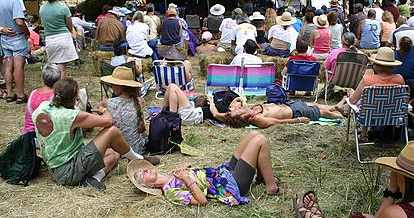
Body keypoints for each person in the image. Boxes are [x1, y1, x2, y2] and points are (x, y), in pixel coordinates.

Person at [32, 78, 160, 191]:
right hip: (68, 170)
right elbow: (108, 121)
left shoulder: (43, 108)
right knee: (112, 131)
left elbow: (81, 122)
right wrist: (104, 110)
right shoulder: (72, 116)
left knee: (114, 154)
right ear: (74, 98)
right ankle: (138, 159)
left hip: (55, 168)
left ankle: (94, 179)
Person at [128, 130, 291, 206]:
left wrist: (186, 169)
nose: (145, 170)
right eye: (142, 175)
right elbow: (202, 201)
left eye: (143, 169)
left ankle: (262, 177)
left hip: (223, 172)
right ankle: (272, 187)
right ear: (148, 185)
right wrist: (187, 178)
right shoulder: (170, 193)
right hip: (230, 185)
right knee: (260, 140)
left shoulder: (172, 174)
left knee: (253, 135)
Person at [336, 47, 404, 142]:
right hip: (392, 117)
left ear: (375, 66)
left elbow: (352, 101)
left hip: (369, 118)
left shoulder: (367, 80)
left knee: (364, 103)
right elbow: (403, 102)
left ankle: (364, 134)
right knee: (367, 103)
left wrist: (349, 97)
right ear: (393, 66)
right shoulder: (400, 79)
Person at [0, 0, 30, 104]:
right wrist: (27, 32)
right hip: (17, 36)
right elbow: (19, 21)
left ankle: (9, 93)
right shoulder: (14, 1)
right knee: (18, 66)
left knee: (8, 66)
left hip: (4, 36)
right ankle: (20, 94)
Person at [98, 67, 147, 155]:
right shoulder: (140, 101)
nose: (111, 86)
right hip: (138, 150)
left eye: (112, 84)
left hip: (118, 151)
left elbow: (98, 112)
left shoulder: (108, 103)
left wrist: (103, 110)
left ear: (118, 86)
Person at [39, 0, 79, 79]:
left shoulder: (42, 8)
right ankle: (61, 89)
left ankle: (52, 85)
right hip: (63, 38)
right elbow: (70, 26)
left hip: (50, 39)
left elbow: (41, 23)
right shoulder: (63, 8)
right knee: (62, 68)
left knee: (53, 67)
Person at [221, 99, 343, 128]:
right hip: (295, 112)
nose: (235, 109)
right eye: (235, 112)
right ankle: (342, 115)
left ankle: (337, 106)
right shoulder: (256, 119)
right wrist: (298, 120)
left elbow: (237, 101)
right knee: (322, 112)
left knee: (313, 105)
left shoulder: (248, 110)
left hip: (289, 105)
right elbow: (277, 122)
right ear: (241, 117)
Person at [22, 64, 61, 134]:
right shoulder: (55, 96)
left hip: (27, 134)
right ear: (59, 78)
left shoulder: (33, 93)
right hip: (43, 136)